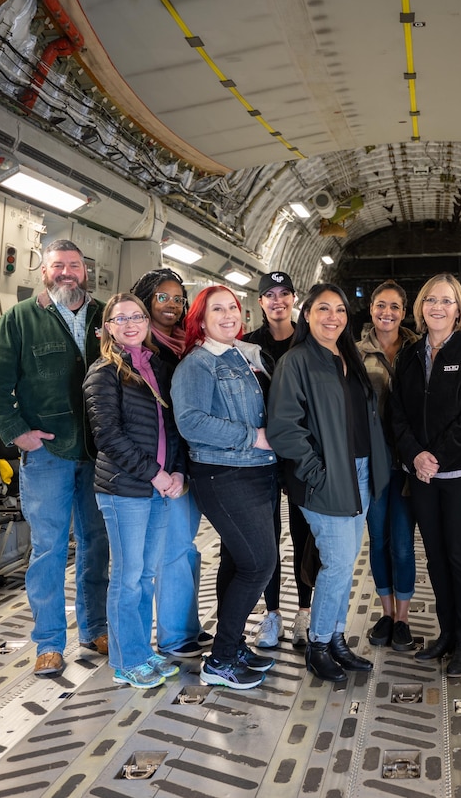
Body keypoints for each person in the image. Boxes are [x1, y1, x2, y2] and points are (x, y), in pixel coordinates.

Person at [0, 239, 110, 677]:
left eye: (74, 266)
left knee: (97, 544)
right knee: (48, 549)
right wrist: (19, 434)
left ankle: (95, 628)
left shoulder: (105, 316)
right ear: (44, 273)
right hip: (48, 454)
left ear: (85, 272)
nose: (67, 273)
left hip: (98, 453)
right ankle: (49, 643)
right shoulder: (20, 318)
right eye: (58, 266)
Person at [268, 284, 391, 683]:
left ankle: (336, 639)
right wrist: (317, 473)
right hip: (326, 477)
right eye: (323, 309)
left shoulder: (347, 356)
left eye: (339, 310)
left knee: (344, 563)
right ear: (306, 315)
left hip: (359, 473)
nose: (332, 317)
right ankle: (318, 646)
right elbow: (285, 429)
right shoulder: (297, 361)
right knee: (336, 563)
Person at [173, 285, 280, 690]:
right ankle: (219, 661)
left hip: (256, 472)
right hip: (224, 474)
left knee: (238, 562)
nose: (228, 314)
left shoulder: (239, 354)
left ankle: (231, 647)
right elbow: (191, 422)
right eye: (217, 309)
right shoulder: (197, 365)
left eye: (233, 307)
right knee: (259, 564)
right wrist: (252, 437)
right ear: (200, 319)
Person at [391, 274, 461, 675]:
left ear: (459, 309)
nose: (438, 307)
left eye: (447, 301)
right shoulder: (410, 355)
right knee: (435, 557)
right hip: (422, 475)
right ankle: (447, 633)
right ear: (421, 307)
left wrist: (435, 455)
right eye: (431, 300)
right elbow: (397, 412)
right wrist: (415, 455)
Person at [83, 293, 186, 688]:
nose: (130, 324)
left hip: (157, 488)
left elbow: (171, 427)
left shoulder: (156, 366)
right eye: (120, 318)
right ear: (107, 327)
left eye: (136, 317)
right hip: (123, 489)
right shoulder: (103, 372)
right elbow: (108, 436)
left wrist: (175, 472)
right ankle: (126, 661)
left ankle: (142, 650)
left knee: (145, 577)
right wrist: (155, 474)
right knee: (127, 577)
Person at [130, 268, 212, 660]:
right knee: (174, 549)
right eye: (162, 297)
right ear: (146, 300)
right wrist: (166, 469)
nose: (172, 305)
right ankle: (175, 636)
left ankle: (187, 627)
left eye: (179, 298)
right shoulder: (143, 352)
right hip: (163, 466)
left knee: (186, 547)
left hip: (187, 462)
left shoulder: (185, 345)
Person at [242, 271, 314, 649]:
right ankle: (272, 614)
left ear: (294, 299)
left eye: (285, 293)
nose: (278, 301)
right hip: (262, 454)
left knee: (304, 535)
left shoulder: (309, 341)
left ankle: (304, 611)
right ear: (260, 302)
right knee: (267, 536)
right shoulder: (248, 346)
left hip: (300, 452)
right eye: (269, 295)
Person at [357, 280, 419, 652]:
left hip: (409, 462)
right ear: (371, 310)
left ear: (404, 311)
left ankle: (403, 619)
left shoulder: (417, 349)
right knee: (377, 539)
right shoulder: (355, 351)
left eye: (395, 307)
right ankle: (384, 611)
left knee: (402, 544)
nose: (387, 313)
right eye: (381, 305)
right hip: (373, 463)